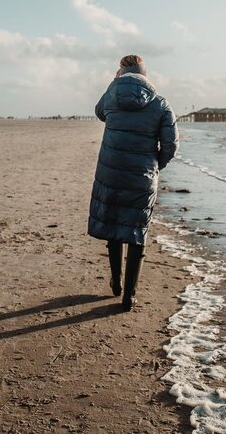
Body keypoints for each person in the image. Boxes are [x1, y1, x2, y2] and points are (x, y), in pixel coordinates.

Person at [88, 55, 178, 311]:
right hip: (142, 178)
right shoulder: (160, 103)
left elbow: (99, 113)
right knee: (137, 232)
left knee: (114, 226)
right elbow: (171, 144)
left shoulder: (111, 98)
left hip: (110, 174)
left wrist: (113, 84)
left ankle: (115, 283)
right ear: (145, 75)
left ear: (121, 73)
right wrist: (155, 165)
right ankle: (129, 296)